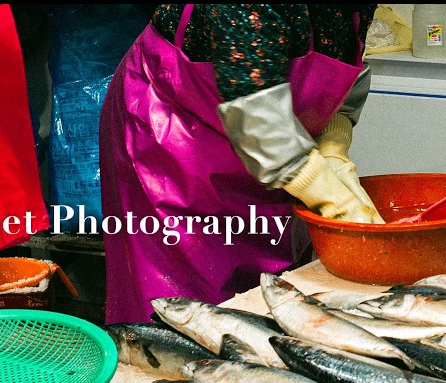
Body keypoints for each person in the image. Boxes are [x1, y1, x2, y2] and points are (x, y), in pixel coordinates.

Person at [100, 4, 383, 324]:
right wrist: (325, 188)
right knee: (186, 314)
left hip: (271, 151)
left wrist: (334, 140)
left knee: (271, 306)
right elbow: (253, 99)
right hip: (171, 142)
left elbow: (345, 48)